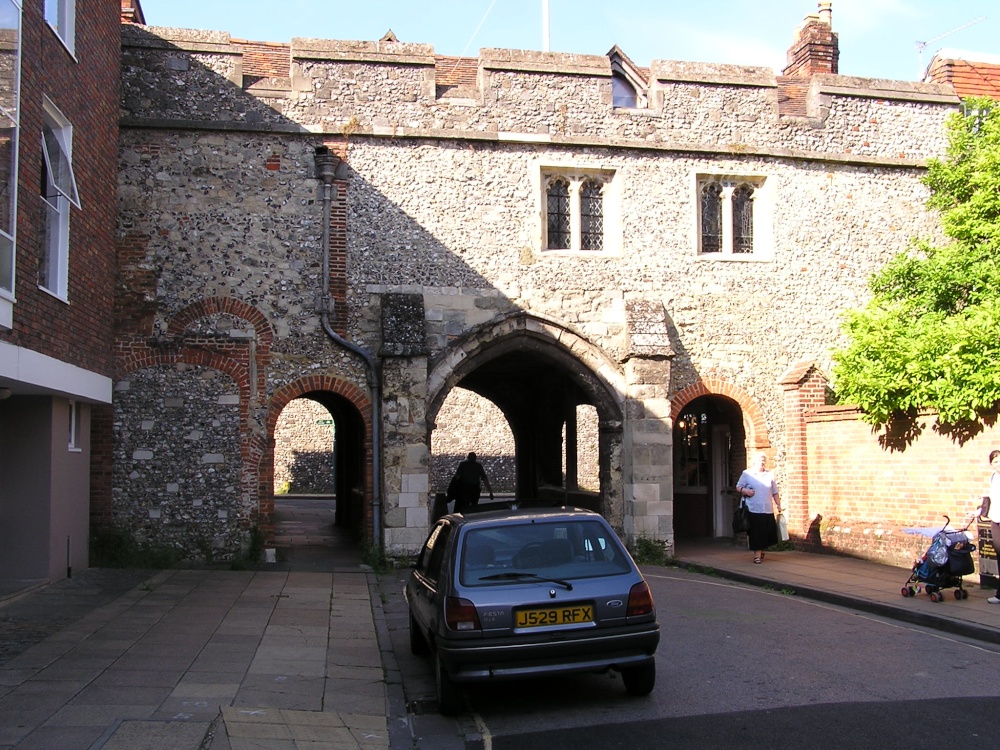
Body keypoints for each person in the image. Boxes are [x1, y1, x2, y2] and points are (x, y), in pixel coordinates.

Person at [736, 452, 781, 564]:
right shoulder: (747, 474)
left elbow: (775, 492)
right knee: (756, 533)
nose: (762, 462)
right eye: (760, 460)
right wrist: (746, 491)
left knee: (768, 532)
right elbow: (738, 487)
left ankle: (761, 550)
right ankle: (757, 555)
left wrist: (778, 505)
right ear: (754, 461)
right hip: (753, 508)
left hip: (767, 508)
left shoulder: (770, 475)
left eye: (763, 460)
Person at [978, 449, 1000, 604]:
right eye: (996, 462)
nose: (998, 464)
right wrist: (980, 510)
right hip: (996, 519)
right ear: (992, 464)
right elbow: (991, 499)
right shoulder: (993, 477)